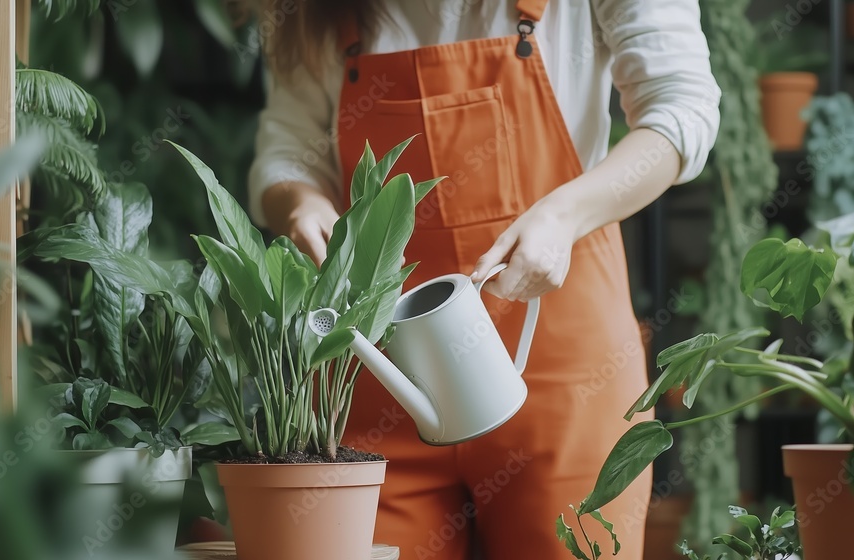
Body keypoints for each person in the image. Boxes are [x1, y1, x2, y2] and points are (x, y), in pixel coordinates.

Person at [247, 1, 720, 558]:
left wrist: (565, 215)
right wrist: (300, 202)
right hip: (377, 384)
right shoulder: (311, 11)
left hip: (566, 375)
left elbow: (680, 107)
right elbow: (288, 145)